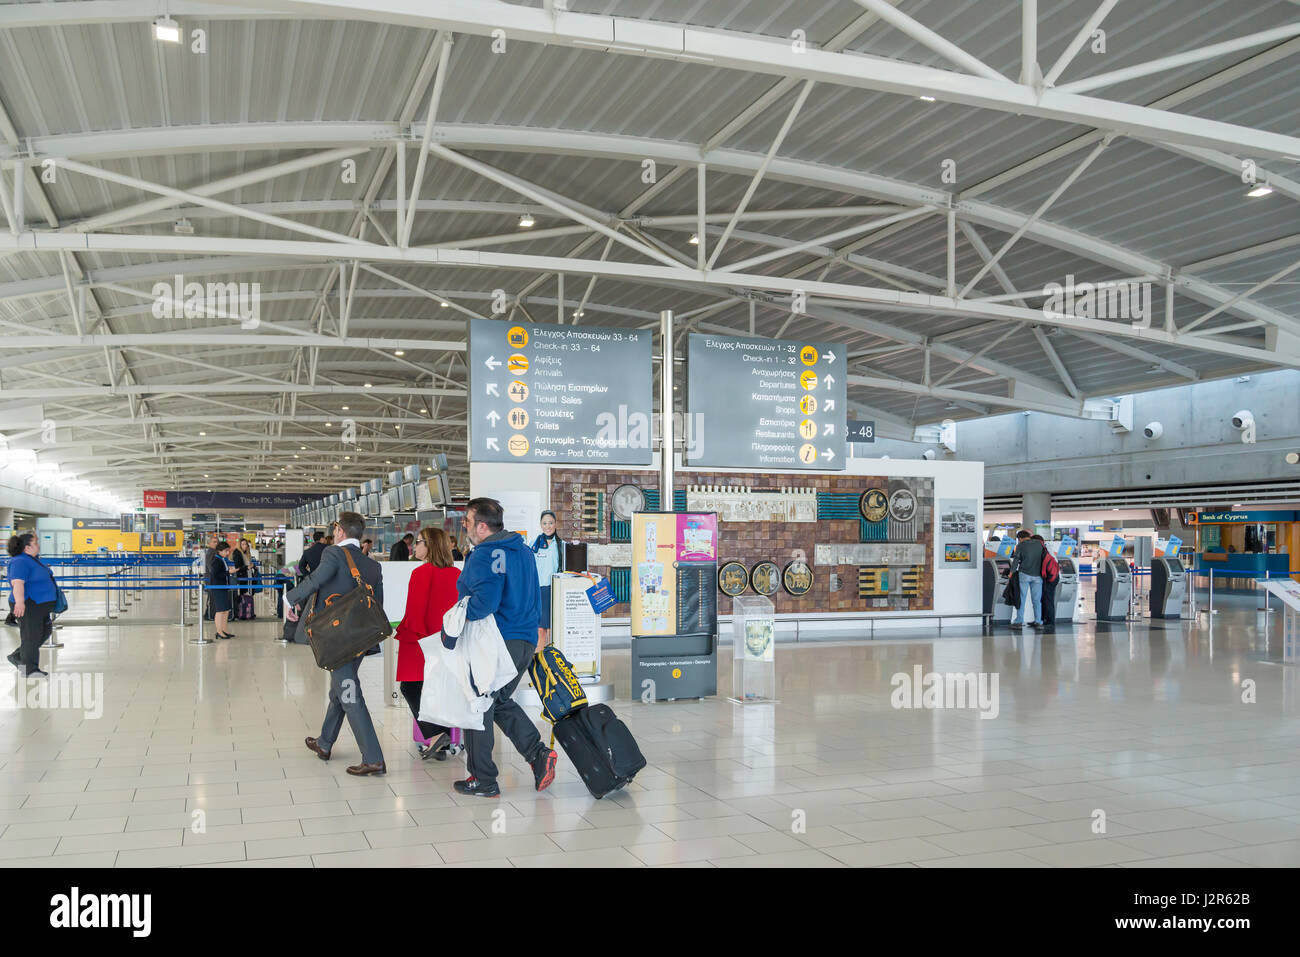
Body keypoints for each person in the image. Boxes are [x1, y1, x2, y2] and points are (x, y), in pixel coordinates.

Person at [449, 497, 557, 798]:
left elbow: (485, 603)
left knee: (479, 704)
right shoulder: (522, 551)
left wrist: (455, 619)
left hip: (497, 643)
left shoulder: (485, 554)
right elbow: (535, 593)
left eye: (467, 522)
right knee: (497, 701)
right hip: (523, 640)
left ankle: (483, 779)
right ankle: (538, 755)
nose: (465, 527)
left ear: (482, 527)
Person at [286, 512, 387, 776]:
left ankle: (374, 758)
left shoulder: (333, 554)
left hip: (335, 639)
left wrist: (290, 599)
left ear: (340, 531)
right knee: (339, 691)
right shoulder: (373, 566)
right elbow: (378, 606)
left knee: (350, 694)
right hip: (360, 639)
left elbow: (315, 580)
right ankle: (324, 742)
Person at [392, 528, 460, 760]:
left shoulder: (421, 573)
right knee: (438, 691)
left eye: (419, 542)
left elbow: (415, 612)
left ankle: (436, 734)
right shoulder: (455, 574)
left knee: (410, 687)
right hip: (446, 642)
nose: (415, 546)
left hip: (420, 642)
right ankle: (442, 738)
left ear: (430, 546)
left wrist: (403, 632)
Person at [6, 533, 55, 678]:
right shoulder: (20, 561)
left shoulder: (32, 559)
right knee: (31, 637)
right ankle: (30, 670)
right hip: (28, 604)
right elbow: (18, 583)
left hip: (39, 605)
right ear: (27, 547)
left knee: (45, 632)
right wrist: (20, 603)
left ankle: (18, 656)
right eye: (36, 543)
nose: (38, 545)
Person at [531, 510, 566, 649]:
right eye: (545, 523)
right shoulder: (533, 544)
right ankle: (539, 660)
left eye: (550, 523)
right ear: (540, 525)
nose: (548, 526)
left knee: (554, 629)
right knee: (540, 630)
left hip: (556, 590)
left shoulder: (562, 545)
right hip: (539, 590)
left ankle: (553, 660)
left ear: (555, 524)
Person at [1009, 529, 1045, 630]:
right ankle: (1038, 621)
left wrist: (1011, 573)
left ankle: (1019, 621)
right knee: (1037, 600)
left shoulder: (1020, 545)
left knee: (1021, 598)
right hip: (1038, 575)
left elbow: (1016, 560)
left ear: (1020, 538)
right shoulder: (1039, 544)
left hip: (1024, 574)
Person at [208, 541, 236, 639]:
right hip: (217, 587)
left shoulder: (222, 559)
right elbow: (216, 575)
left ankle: (224, 630)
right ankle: (219, 632)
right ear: (219, 551)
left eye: (228, 551)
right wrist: (228, 572)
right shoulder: (216, 561)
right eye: (225, 551)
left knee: (226, 610)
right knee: (220, 610)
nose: (227, 553)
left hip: (223, 587)